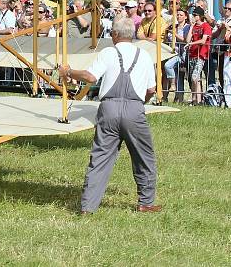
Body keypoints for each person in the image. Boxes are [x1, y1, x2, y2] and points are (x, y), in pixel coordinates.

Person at [58, 17, 160, 214]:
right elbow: (151, 90)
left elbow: (90, 77)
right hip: (134, 109)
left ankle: (88, 207)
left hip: (108, 108)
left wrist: (69, 71)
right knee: (144, 156)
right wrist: (139, 104)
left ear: (115, 34)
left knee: (101, 158)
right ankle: (146, 202)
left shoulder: (108, 52)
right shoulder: (145, 56)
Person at [186, 7, 213, 105]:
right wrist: (191, 27)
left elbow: (203, 40)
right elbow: (188, 40)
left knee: (194, 77)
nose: (194, 17)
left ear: (200, 16)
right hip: (192, 54)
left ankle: (196, 98)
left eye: (195, 15)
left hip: (201, 55)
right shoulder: (194, 26)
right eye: (193, 15)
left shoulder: (206, 26)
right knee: (195, 79)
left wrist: (192, 44)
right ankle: (197, 100)